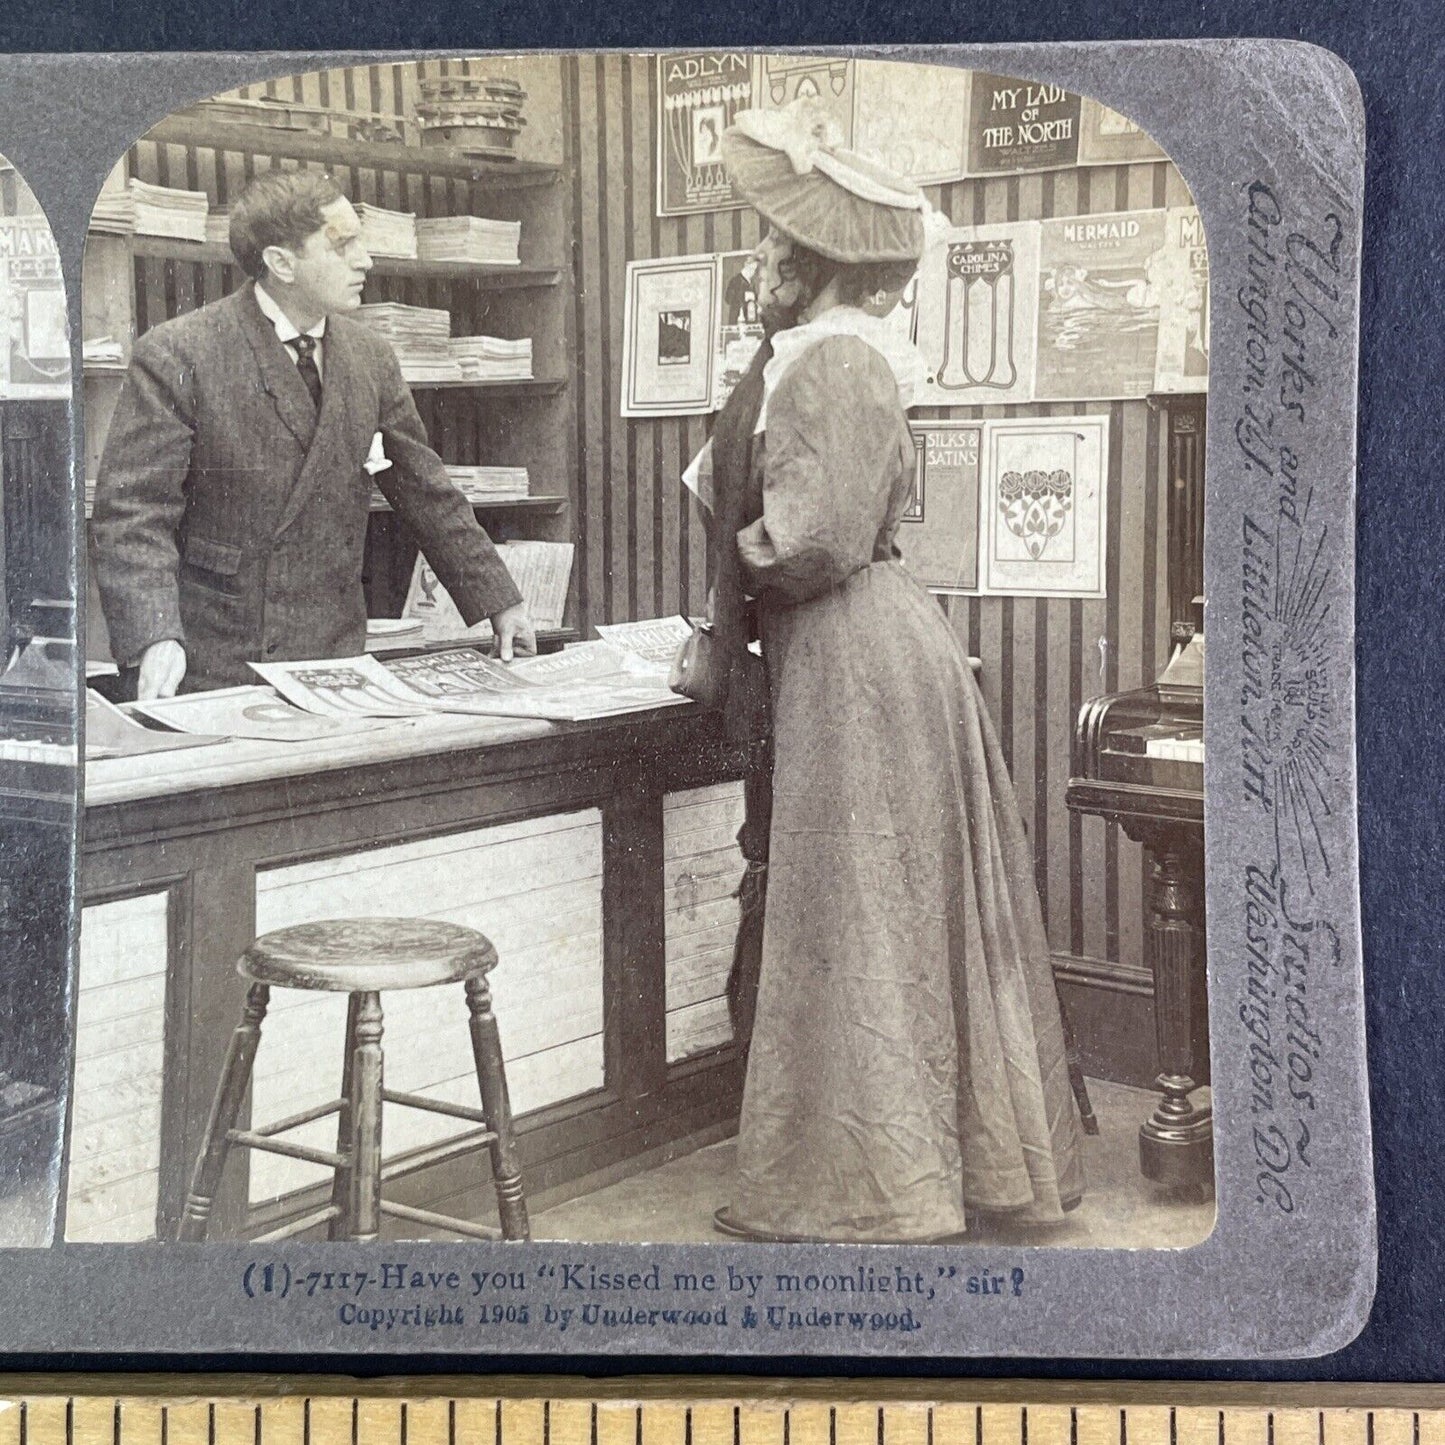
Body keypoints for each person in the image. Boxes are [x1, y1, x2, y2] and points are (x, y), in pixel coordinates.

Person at [706, 105, 1085, 1242]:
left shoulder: (829, 361)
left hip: (850, 650)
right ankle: (914, 1158)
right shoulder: (821, 357)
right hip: (860, 643)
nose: (761, 259)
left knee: (859, 899)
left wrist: (735, 556)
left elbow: (812, 537)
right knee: (873, 897)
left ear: (817, 265)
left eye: (777, 245)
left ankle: (877, 1175)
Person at [91, 169, 533, 699]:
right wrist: (154, 636)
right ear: (281, 263)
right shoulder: (180, 354)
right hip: (212, 662)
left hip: (334, 655)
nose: (365, 260)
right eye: (342, 244)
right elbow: (133, 516)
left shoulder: (370, 357)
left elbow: (425, 490)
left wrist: (498, 599)